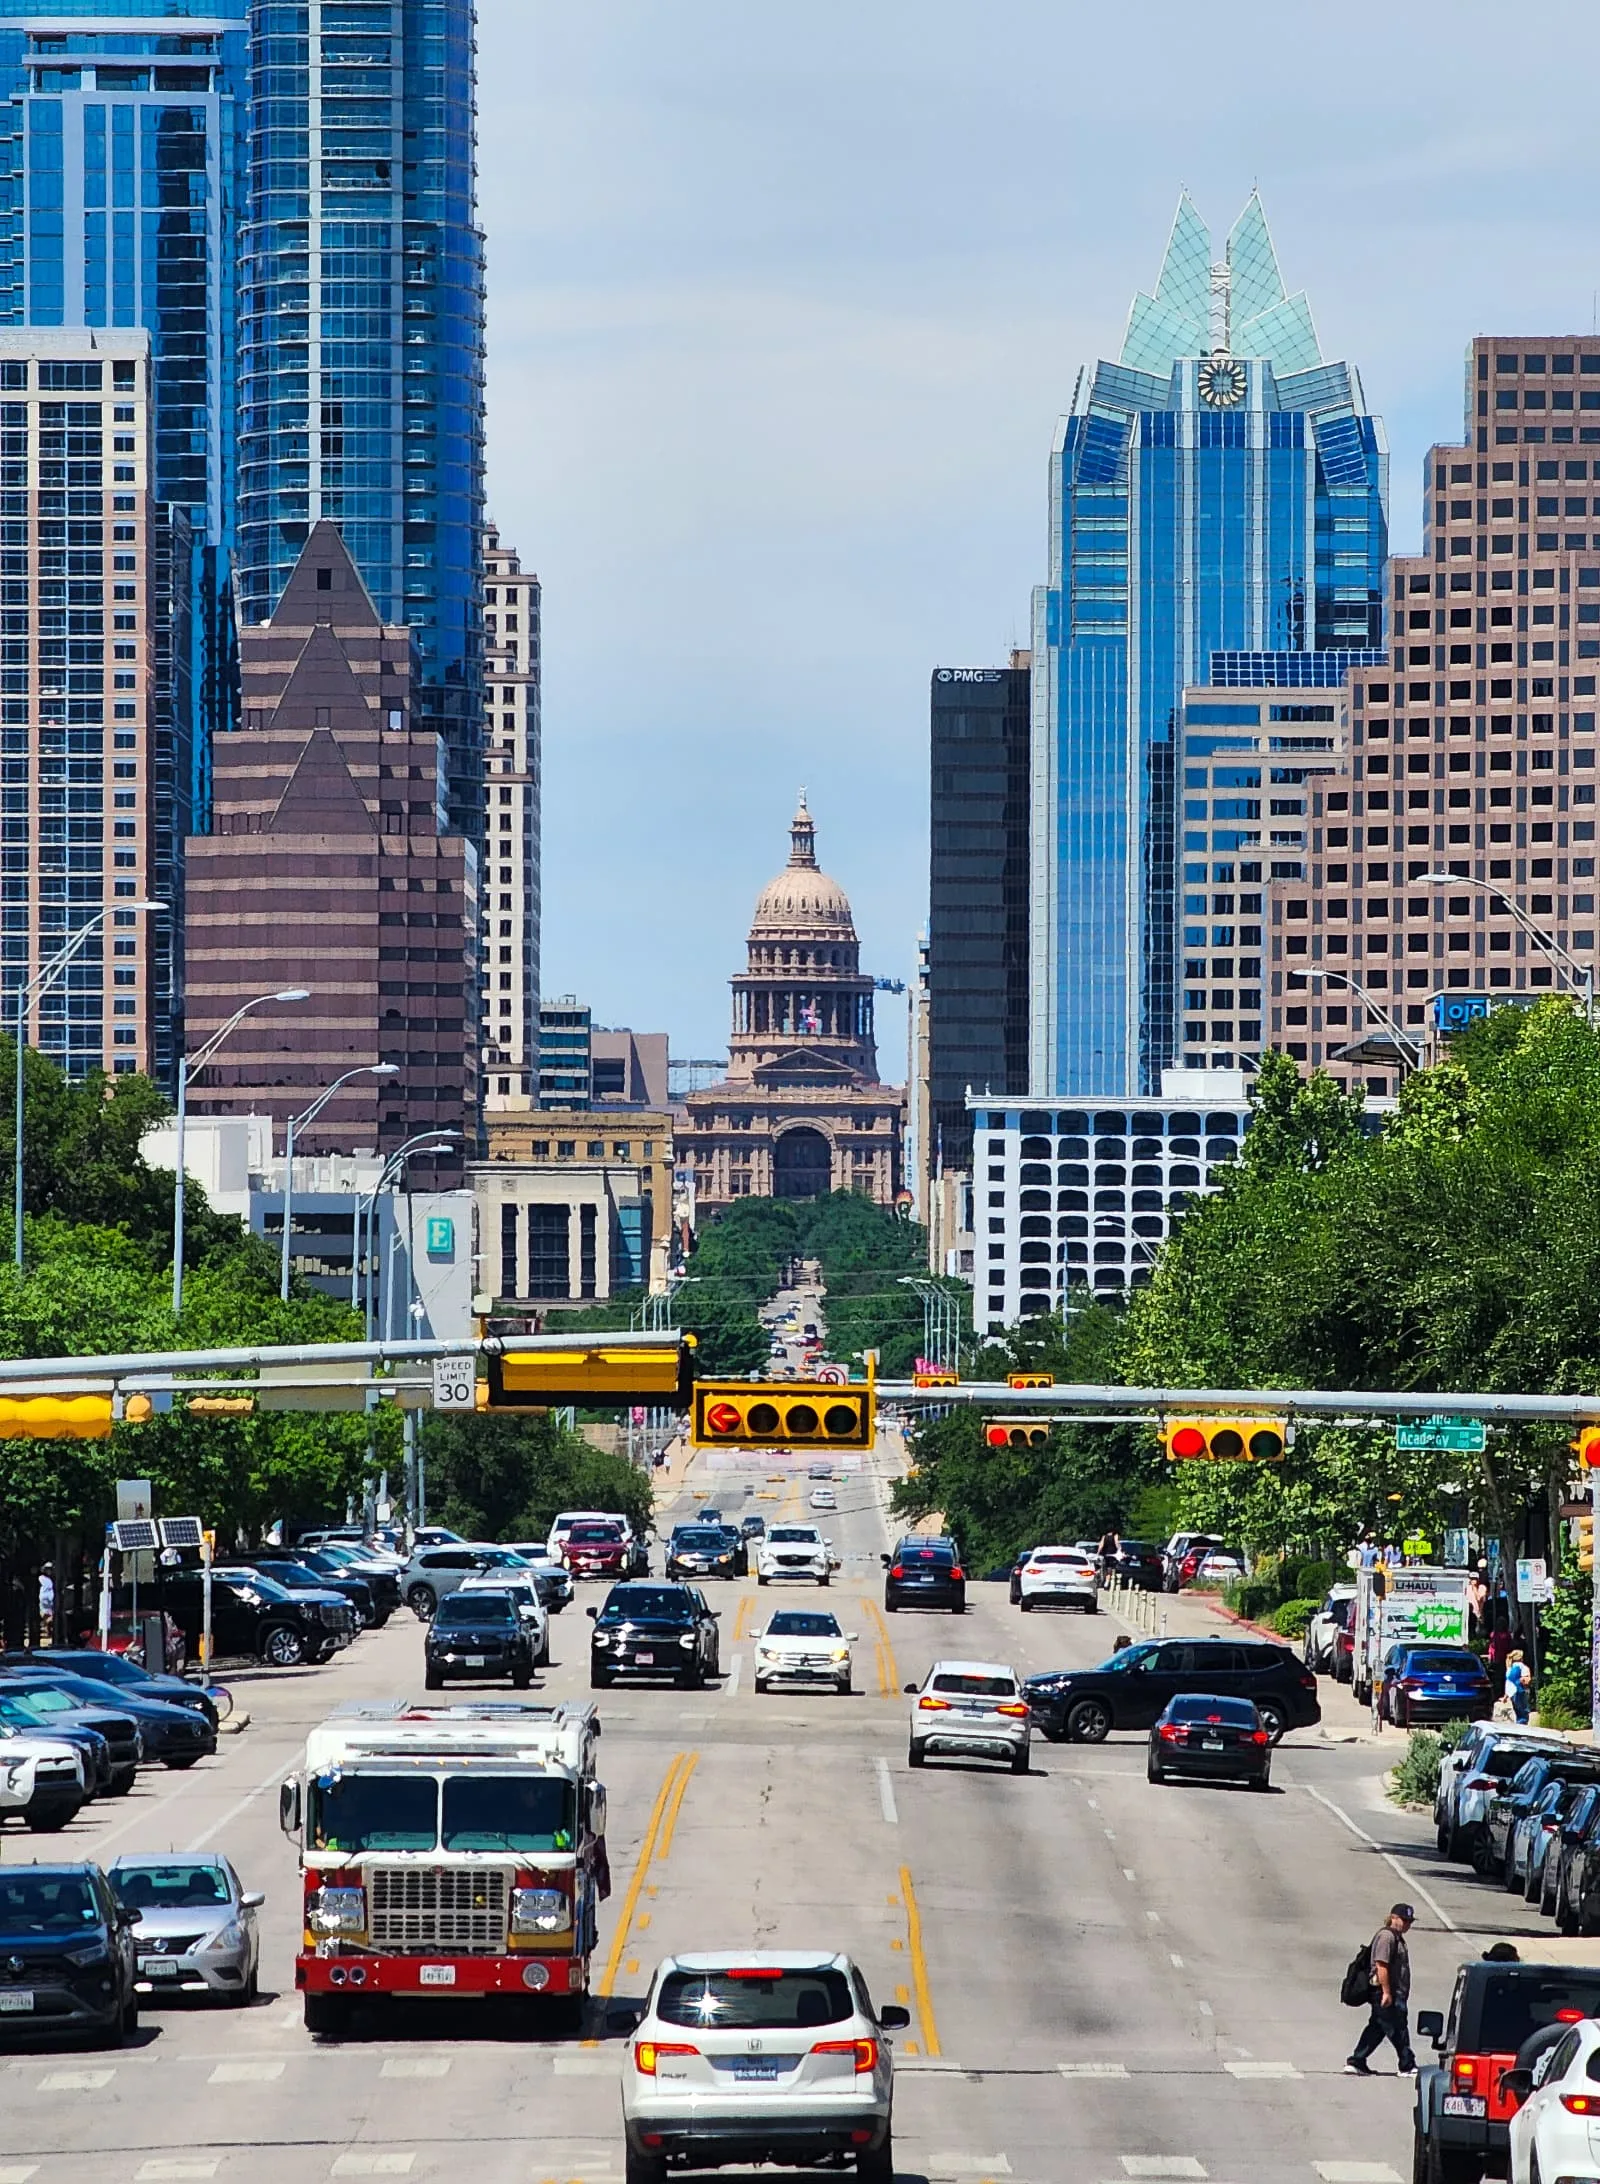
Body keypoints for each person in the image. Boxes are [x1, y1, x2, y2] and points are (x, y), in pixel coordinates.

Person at [1345, 1904, 1417, 2077]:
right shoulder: (1386, 1936)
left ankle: (1357, 2061)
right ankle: (1407, 2065)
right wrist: (1386, 1992)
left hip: (1392, 1993)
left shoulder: (1397, 1937)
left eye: (1410, 1921)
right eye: (1404, 1920)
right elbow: (1381, 1965)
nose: (1407, 1924)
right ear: (1393, 1917)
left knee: (1377, 2028)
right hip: (1385, 1993)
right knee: (1397, 2028)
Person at [1505, 1648, 1533, 1724]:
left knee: (1517, 1712)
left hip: (1511, 1693)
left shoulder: (1510, 1668)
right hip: (1520, 1691)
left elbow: (1508, 1683)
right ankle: (1522, 1730)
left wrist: (1505, 1696)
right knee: (1523, 1713)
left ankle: (1518, 1726)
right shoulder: (1523, 1667)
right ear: (1521, 1658)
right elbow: (1526, 1680)